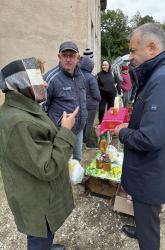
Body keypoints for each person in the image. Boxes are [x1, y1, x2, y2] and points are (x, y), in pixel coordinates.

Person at [114, 23, 165, 250]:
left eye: (134, 50)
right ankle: (141, 228)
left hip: (151, 172)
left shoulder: (163, 80)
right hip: (152, 168)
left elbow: (151, 138)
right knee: (145, 218)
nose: (131, 56)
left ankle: (145, 237)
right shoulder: (163, 73)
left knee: (149, 235)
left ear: (152, 47)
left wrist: (123, 132)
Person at [0, 57, 79, 250]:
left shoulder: (26, 107)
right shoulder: (19, 122)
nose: (45, 83)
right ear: (22, 85)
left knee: (45, 235)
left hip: (39, 194)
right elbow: (47, 168)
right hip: (37, 202)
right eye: (38, 79)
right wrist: (66, 131)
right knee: (39, 236)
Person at [44, 41, 87, 162]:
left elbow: (83, 98)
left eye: (72, 55)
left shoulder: (81, 76)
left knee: (77, 158)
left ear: (78, 58)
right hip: (61, 132)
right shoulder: (51, 78)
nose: (68, 59)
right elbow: (42, 109)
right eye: (65, 55)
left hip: (78, 129)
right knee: (62, 162)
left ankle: (77, 180)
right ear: (59, 57)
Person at [80, 56, 101, 149]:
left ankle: (82, 141)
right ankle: (86, 142)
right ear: (90, 66)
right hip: (91, 105)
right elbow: (96, 93)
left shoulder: (78, 75)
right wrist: (99, 98)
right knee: (88, 123)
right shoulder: (91, 77)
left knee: (82, 123)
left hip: (80, 103)